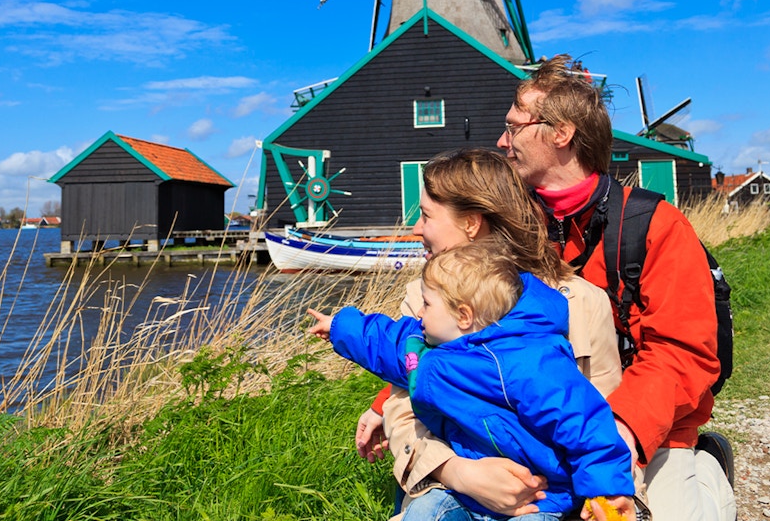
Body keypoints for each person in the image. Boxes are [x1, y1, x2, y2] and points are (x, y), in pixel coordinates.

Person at [475, 55, 737, 521]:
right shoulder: (508, 226)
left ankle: (708, 471)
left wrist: (621, 429)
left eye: (514, 127)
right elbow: (456, 320)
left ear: (561, 133)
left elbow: (681, 350)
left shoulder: (655, 226)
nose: (502, 141)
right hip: (542, 425)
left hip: (643, 426)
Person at [350, 148, 622, 514]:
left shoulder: (582, 303)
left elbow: (606, 419)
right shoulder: (423, 301)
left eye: (427, 215)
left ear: (471, 223)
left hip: (550, 498)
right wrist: (458, 472)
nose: (415, 228)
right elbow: (405, 407)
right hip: (452, 486)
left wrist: (618, 503)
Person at [308, 241, 636, 521]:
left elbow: (586, 425)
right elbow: (384, 340)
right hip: (468, 490)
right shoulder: (427, 349)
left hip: (541, 496)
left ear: (464, 316)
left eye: (427, 303)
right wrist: (339, 326)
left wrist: (606, 490)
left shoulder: (529, 363)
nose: (419, 313)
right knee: (425, 513)